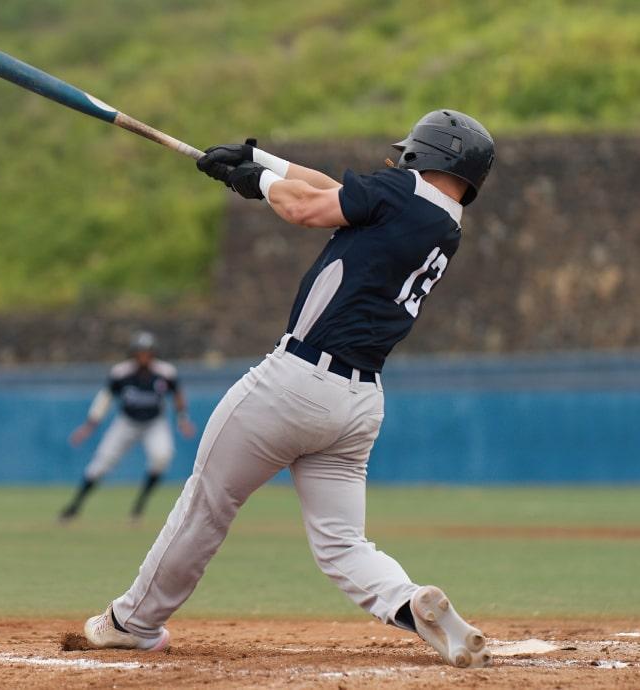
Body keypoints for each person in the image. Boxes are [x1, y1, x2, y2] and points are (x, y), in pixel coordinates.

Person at [82, 110, 496, 669]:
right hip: (358, 403)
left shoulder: (400, 193)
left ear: (428, 155)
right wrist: (263, 161)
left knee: (207, 505)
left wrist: (254, 184)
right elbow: (339, 192)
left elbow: (304, 206)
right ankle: (409, 601)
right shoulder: (442, 224)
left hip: (292, 385)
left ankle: (134, 621)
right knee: (344, 543)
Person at [60, 331, 196, 522]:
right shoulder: (121, 373)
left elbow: (178, 395)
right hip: (127, 422)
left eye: (147, 352)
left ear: (154, 353)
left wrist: (182, 418)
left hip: (154, 422)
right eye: (140, 352)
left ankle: (138, 507)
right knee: (102, 463)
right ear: (132, 353)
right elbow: (105, 398)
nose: (144, 356)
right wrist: (89, 425)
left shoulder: (165, 372)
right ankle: (74, 507)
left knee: (162, 457)